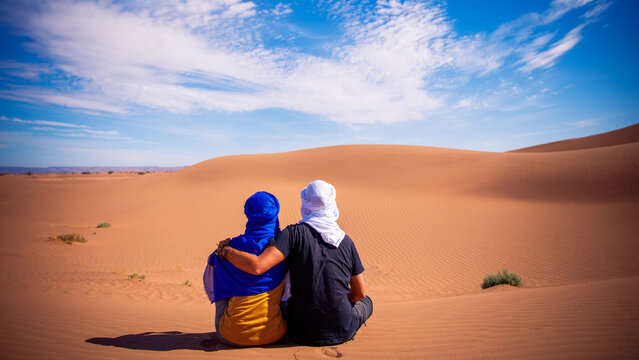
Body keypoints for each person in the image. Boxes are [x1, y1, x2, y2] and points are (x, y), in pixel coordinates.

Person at [217, 180, 373, 346]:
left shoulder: (292, 235)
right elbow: (359, 294)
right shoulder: (346, 242)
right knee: (367, 301)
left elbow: (259, 265)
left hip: (300, 332)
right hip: (342, 330)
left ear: (305, 202)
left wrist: (226, 250)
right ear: (332, 204)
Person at [203, 191, 290, 347]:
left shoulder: (230, 248)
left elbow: (213, 262)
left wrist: (226, 251)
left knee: (220, 273)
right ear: (275, 212)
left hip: (229, 335)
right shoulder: (281, 249)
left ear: (248, 213)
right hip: (275, 334)